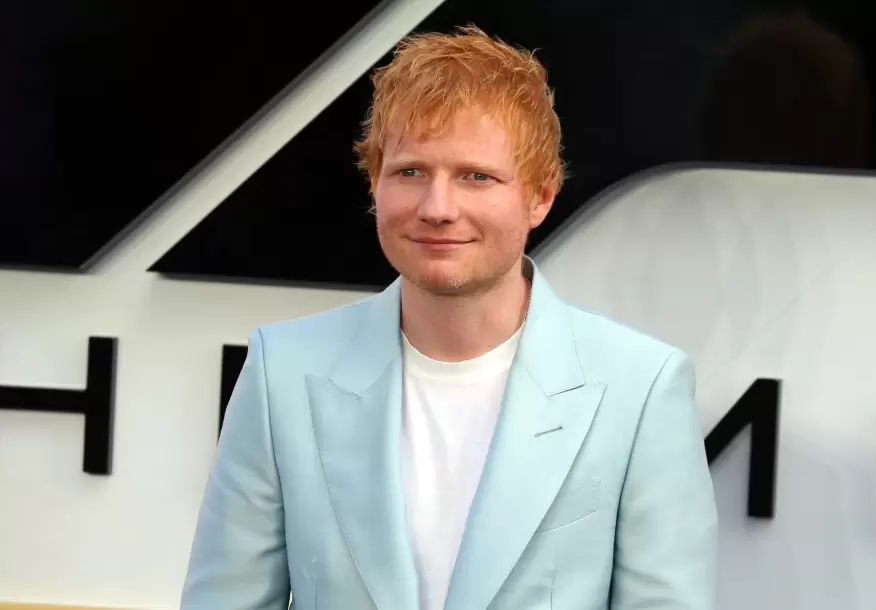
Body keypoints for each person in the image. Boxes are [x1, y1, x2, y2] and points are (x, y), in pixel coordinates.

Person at [180, 25, 717, 610]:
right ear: (374, 183)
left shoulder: (640, 388)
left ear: (540, 196)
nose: (437, 208)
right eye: (410, 172)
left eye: (476, 176)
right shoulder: (281, 371)